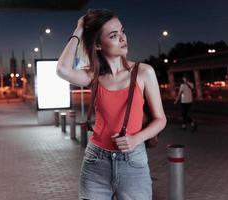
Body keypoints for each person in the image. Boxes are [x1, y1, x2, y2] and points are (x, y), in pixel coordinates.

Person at [57, 9, 166, 200]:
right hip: (95, 162)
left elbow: (160, 119)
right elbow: (62, 69)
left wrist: (135, 139)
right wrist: (79, 30)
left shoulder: (143, 72)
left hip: (133, 162)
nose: (123, 38)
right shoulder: (93, 76)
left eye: (122, 32)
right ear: (98, 45)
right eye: (114, 36)